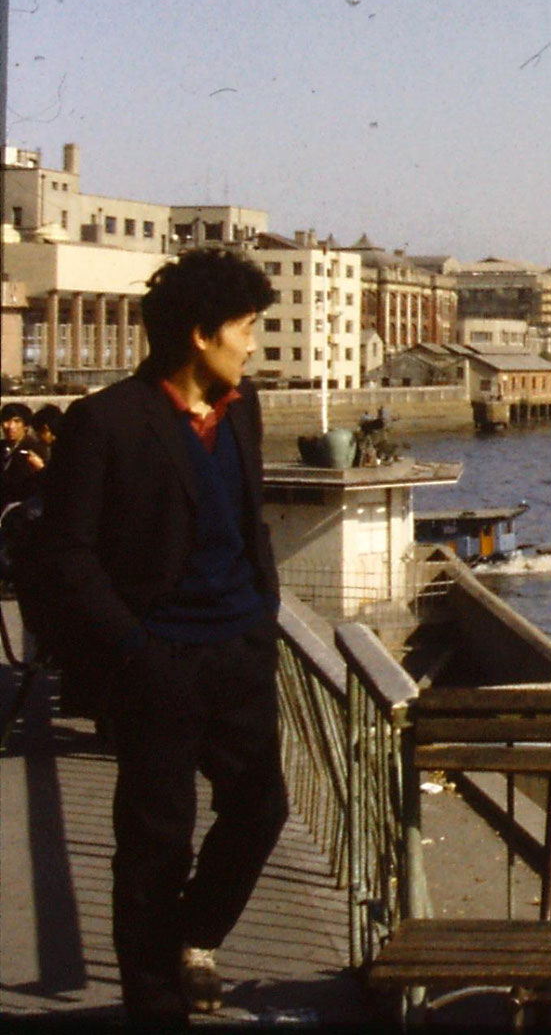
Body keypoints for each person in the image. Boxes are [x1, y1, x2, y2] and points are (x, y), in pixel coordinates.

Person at [25, 247, 287, 1023]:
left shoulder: (243, 410)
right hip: (158, 661)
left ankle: (192, 934)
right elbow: (64, 556)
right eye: (246, 328)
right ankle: (153, 1002)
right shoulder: (105, 421)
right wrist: (135, 652)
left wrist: (263, 615)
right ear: (201, 335)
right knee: (155, 841)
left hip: (238, 648)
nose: (253, 343)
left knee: (260, 807)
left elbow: (248, 525)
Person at [0, 402, 46, 507]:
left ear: (25, 426)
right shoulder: (2, 447)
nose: (10, 426)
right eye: (6, 421)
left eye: (16, 421)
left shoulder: (35, 449)